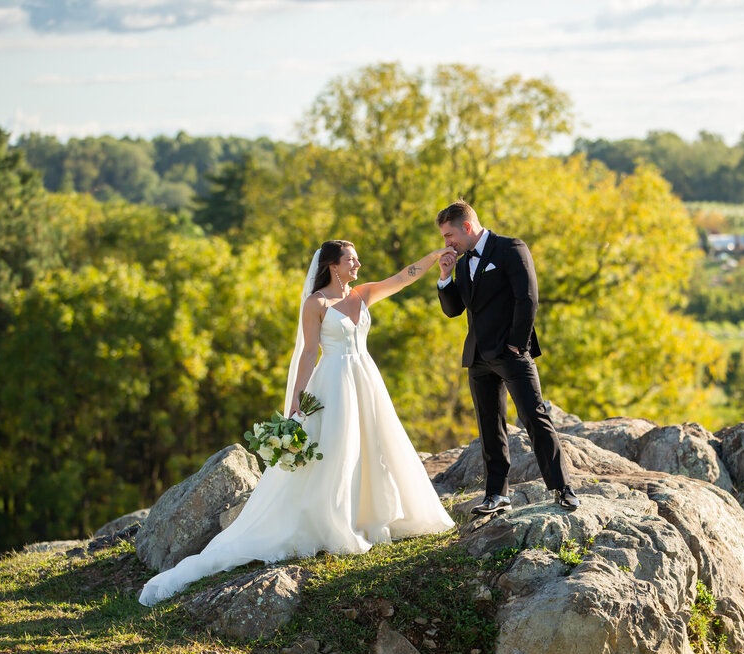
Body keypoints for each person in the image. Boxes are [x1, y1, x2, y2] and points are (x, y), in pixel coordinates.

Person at [138, 241, 455, 606]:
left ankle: (373, 514)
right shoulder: (316, 304)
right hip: (333, 385)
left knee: (375, 448)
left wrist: (435, 258)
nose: (359, 264)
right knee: (336, 451)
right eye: (352, 259)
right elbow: (307, 353)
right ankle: (331, 521)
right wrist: (294, 409)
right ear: (333, 266)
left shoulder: (363, 294)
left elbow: (403, 277)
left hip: (366, 381)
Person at [435, 201, 579, 515]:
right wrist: (445, 276)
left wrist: (517, 344)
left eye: (449, 235)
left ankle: (562, 488)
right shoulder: (460, 263)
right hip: (477, 356)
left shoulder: (511, 248)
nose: (446, 243)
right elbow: (453, 310)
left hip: (512, 352)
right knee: (489, 427)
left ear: (467, 227)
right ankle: (497, 495)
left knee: (534, 417)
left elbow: (527, 298)